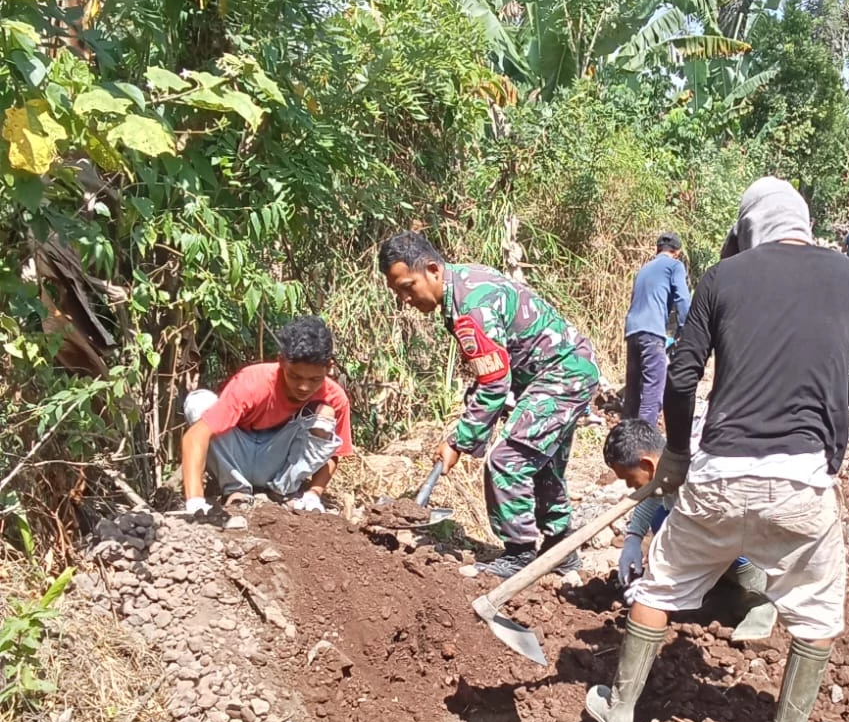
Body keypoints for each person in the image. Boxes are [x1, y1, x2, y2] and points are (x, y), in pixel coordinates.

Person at [585, 176, 849, 722]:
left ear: (748, 228)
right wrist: (812, 391)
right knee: (819, 605)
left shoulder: (722, 277)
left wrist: (676, 452)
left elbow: (681, 377)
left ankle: (620, 711)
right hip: (803, 481)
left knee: (662, 583)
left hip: (720, 473)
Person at [379, 231, 600, 578]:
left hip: (562, 374)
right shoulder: (464, 285)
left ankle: (520, 554)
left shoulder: (471, 308)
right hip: (569, 370)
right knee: (542, 463)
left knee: (507, 461)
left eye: (408, 286)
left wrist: (459, 441)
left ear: (433, 270)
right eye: (398, 292)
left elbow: (495, 384)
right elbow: (493, 372)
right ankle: (561, 550)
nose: (405, 298)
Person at [605, 417, 777, 640]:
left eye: (630, 479)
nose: (630, 487)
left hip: (747, 529)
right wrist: (633, 537)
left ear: (648, 464)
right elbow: (652, 496)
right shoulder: (665, 465)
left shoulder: (701, 471)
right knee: (661, 519)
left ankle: (760, 601)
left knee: (687, 535)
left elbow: (693, 535)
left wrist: (658, 583)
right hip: (709, 530)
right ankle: (720, 590)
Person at [181, 315, 352, 514]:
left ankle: (284, 490)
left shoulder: (335, 398)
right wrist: (195, 501)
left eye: (314, 379)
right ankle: (236, 490)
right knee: (199, 403)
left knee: (324, 414)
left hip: (277, 464)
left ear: (329, 368)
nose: (304, 387)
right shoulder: (253, 381)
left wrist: (314, 493)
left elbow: (333, 455)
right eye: (295, 376)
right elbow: (195, 436)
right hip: (239, 456)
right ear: (281, 362)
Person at [622, 231, 691, 424]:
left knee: (633, 388)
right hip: (652, 331)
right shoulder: (674, 265)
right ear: (677, 252)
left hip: (632, 330)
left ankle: (626, 435)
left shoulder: (644, 269)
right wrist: (686, 327)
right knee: (653, 388)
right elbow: (683, 298)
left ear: (657, 249)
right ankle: (645, 438)